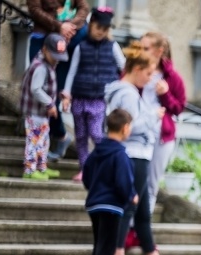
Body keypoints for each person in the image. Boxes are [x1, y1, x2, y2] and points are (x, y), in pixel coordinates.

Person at [105, 41, 173, 255]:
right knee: (131, 204)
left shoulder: (124, 91)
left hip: (136, 154)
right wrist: (154, 116)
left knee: (142, 207)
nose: (150, 79)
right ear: (136, 69)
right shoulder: (128, 93)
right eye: (148, 73)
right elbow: (129, 127)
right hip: (134, 154)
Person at [61, 6, 125, 182]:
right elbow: (72, 72)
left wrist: (119, 90)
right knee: (81, 136)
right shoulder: (81, 47)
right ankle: (85, 169)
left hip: (99, 99)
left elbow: (124, 67)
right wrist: (67, 94)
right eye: (98, 27)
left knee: (97, 134)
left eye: (104, 29)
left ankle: (104, 167)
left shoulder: (112, 47)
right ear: (91, 25)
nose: (100, 32)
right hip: (79, 97)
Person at [80, 109, 137, 255]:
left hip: (95, 204)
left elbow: (87, 175)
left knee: (100, 244)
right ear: (125, 128)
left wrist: (95, 190)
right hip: (111, 206)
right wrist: (131, 195)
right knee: (107, 247)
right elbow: (123, 182)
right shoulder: (120, 155)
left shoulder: (97, 151)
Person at [26, 0, 91, 161]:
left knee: (54, 94)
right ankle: (58, 137)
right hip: (43, 36)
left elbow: (83, 7)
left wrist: (70, 26)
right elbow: (34, 9)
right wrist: (59, 26)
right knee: (38, 91)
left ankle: (44, 152)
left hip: (68, 41)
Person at [141, 30, 187, 214]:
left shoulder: (172, 77)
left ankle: (141, 225)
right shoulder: (136, 70)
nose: (141, 51)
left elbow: (179, 108)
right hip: (136, 133)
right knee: (133, 181)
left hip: (161, 136)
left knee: (151, 184)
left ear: (159, 51)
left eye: (146, 48)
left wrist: (165, 94)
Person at [20, 33, 68, 180]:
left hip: (42, 114)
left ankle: (41, 167)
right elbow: (36, 89)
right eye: (54, 56)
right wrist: (50, 103)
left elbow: (47, 87)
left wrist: (58, 95)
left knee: (43, 141)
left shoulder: (48, 65)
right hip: (35, 113)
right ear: (45, 49)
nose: (56, 60)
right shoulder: (40, 67)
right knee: (34, 142)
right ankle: (29, 170)